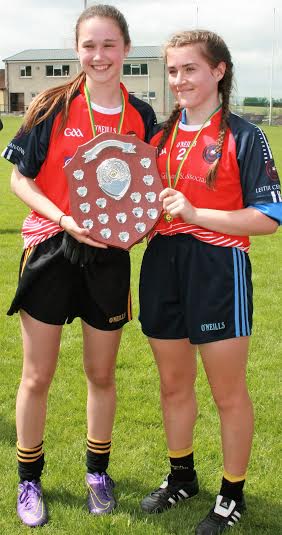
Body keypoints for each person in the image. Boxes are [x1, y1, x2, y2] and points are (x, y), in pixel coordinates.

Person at [2, 4, 156, 528]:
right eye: (89, 45)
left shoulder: (142, 116)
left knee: (101, 373)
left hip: (109, 258)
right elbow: (19, 180)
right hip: (51, 248)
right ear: (77, 50)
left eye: (109, 45)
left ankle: (97, 473)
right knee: (37, 375)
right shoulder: (51, 106)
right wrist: (64, 217)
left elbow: (146, 188)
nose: (99, 55)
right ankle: (29, 481)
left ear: (126, 50)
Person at [139, 30, 282, 534]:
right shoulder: (158, 136)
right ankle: (182, 476)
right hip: (161, 264)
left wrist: (198, 213)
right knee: (173, 383)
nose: (179, 80)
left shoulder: (246, 135)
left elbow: (269, 217)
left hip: (218, 269)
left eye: (190, 69)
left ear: (218, 71)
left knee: (228, 392)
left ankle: (231, 493)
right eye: (173, 71)